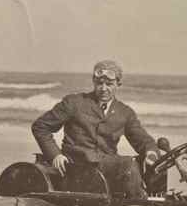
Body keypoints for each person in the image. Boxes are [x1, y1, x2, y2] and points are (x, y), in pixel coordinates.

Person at [32, 59, 159, 198]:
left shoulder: (125, 112)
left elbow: (143, 140)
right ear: (93, 81)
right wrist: (55, 155)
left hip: (106, 168)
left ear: (118, 84)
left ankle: (154, 200)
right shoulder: (74, 103)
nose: (103, 88)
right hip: (76, 167)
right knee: (128, 165)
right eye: (99, 83)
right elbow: (40, 126)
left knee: (153, 165)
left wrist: (150, 153)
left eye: (109, 84)